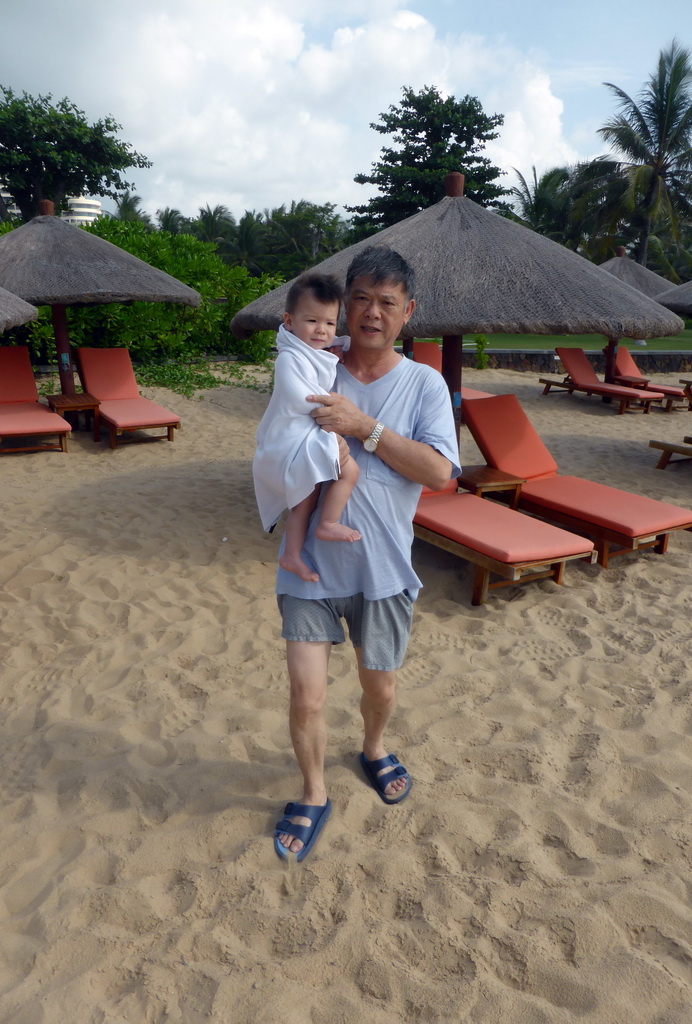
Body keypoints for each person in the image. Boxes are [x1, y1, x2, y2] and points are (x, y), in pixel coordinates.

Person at [273, 246, 460, 862]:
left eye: (386, 302)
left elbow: (439, 473)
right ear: (343, 304)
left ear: (409, 310)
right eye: (360, 299)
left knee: (378, 689)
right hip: (310, 571)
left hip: (383, 571)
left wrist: (364, 428)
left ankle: (374, 748)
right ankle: (313, 790)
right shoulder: (315, 365)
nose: (371, 313)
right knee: (307, 696)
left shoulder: (425, 383)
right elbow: (280, 438)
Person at [253, 273, 361, 583]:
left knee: (305, 499)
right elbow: (300, 396)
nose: (321, 330)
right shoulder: (288, 357)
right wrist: (331, 406)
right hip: (293, 435)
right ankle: (328, 523)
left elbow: (340, 343)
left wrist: (334, 351)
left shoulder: (313, 351)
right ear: (289, 321)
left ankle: (291, 554)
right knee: (349, 471)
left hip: (305, 433)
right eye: (312, 321)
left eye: (329, 323)